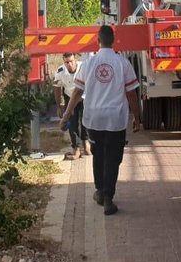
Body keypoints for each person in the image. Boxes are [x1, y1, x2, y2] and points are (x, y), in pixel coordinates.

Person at [59, 25, 141, 216]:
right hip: (116, 120)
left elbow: (77, 91)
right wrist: (137, 118)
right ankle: (108, 198)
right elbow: (131, 95)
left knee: (99, 154)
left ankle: (100, 191)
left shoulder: (88, 64)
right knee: (113, 159)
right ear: (113, 41)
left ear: (98, 40)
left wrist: (66, 115)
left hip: (93, 120)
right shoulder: (122, 63)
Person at [53, 53, 88, 160]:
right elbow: (57, 88)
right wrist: (59, 106)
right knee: (72, 123)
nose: (69, 64)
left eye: (71, 61)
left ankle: (86, 143)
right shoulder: (60, 72)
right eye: (66, 62)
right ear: (64, 62)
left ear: (75, 60)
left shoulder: (84, 67)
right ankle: (76, 148)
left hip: (84, 96)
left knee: (85, 120)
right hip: (70, 97)